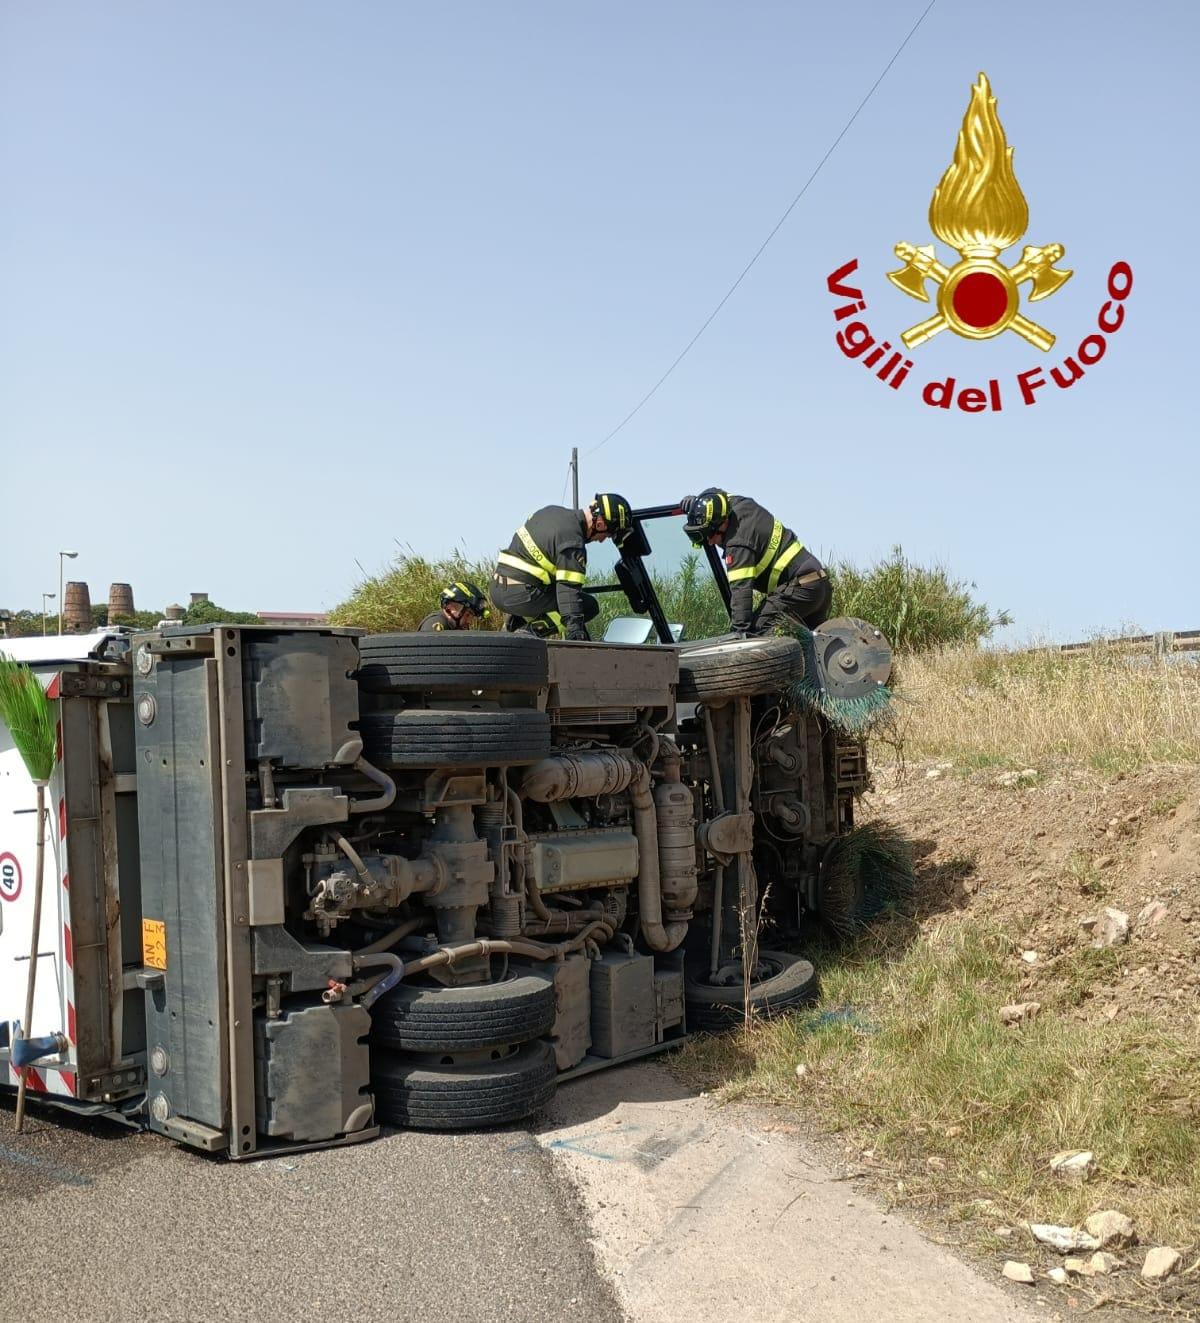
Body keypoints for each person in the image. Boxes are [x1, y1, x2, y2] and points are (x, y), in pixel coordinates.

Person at [681, 488, 831, 636]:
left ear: (723, 522)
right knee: (813, 650)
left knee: (757, 630)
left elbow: (741, 593)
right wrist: (696, 506)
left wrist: (738, 637)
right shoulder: (736, 503)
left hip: (801, 589)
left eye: (710, 534)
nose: (710, 541)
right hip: (818, 585)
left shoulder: (738, 543)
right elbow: (715, 496)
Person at [491, 493, 633, 640]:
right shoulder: (572, 541)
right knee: (588, 606)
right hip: (520, 595)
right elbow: (568, 592)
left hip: (499, 588)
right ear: (600, 524)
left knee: (552, 596)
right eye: (608, 535)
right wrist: (576, 635)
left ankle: (515, 623)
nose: (603, 540)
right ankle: (529, 632)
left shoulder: (551, 512)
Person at [417, 581, 489, 632]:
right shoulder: (436, 625)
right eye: (468, 614)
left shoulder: (452, 628)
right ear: (451, 608)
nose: (469, 621)